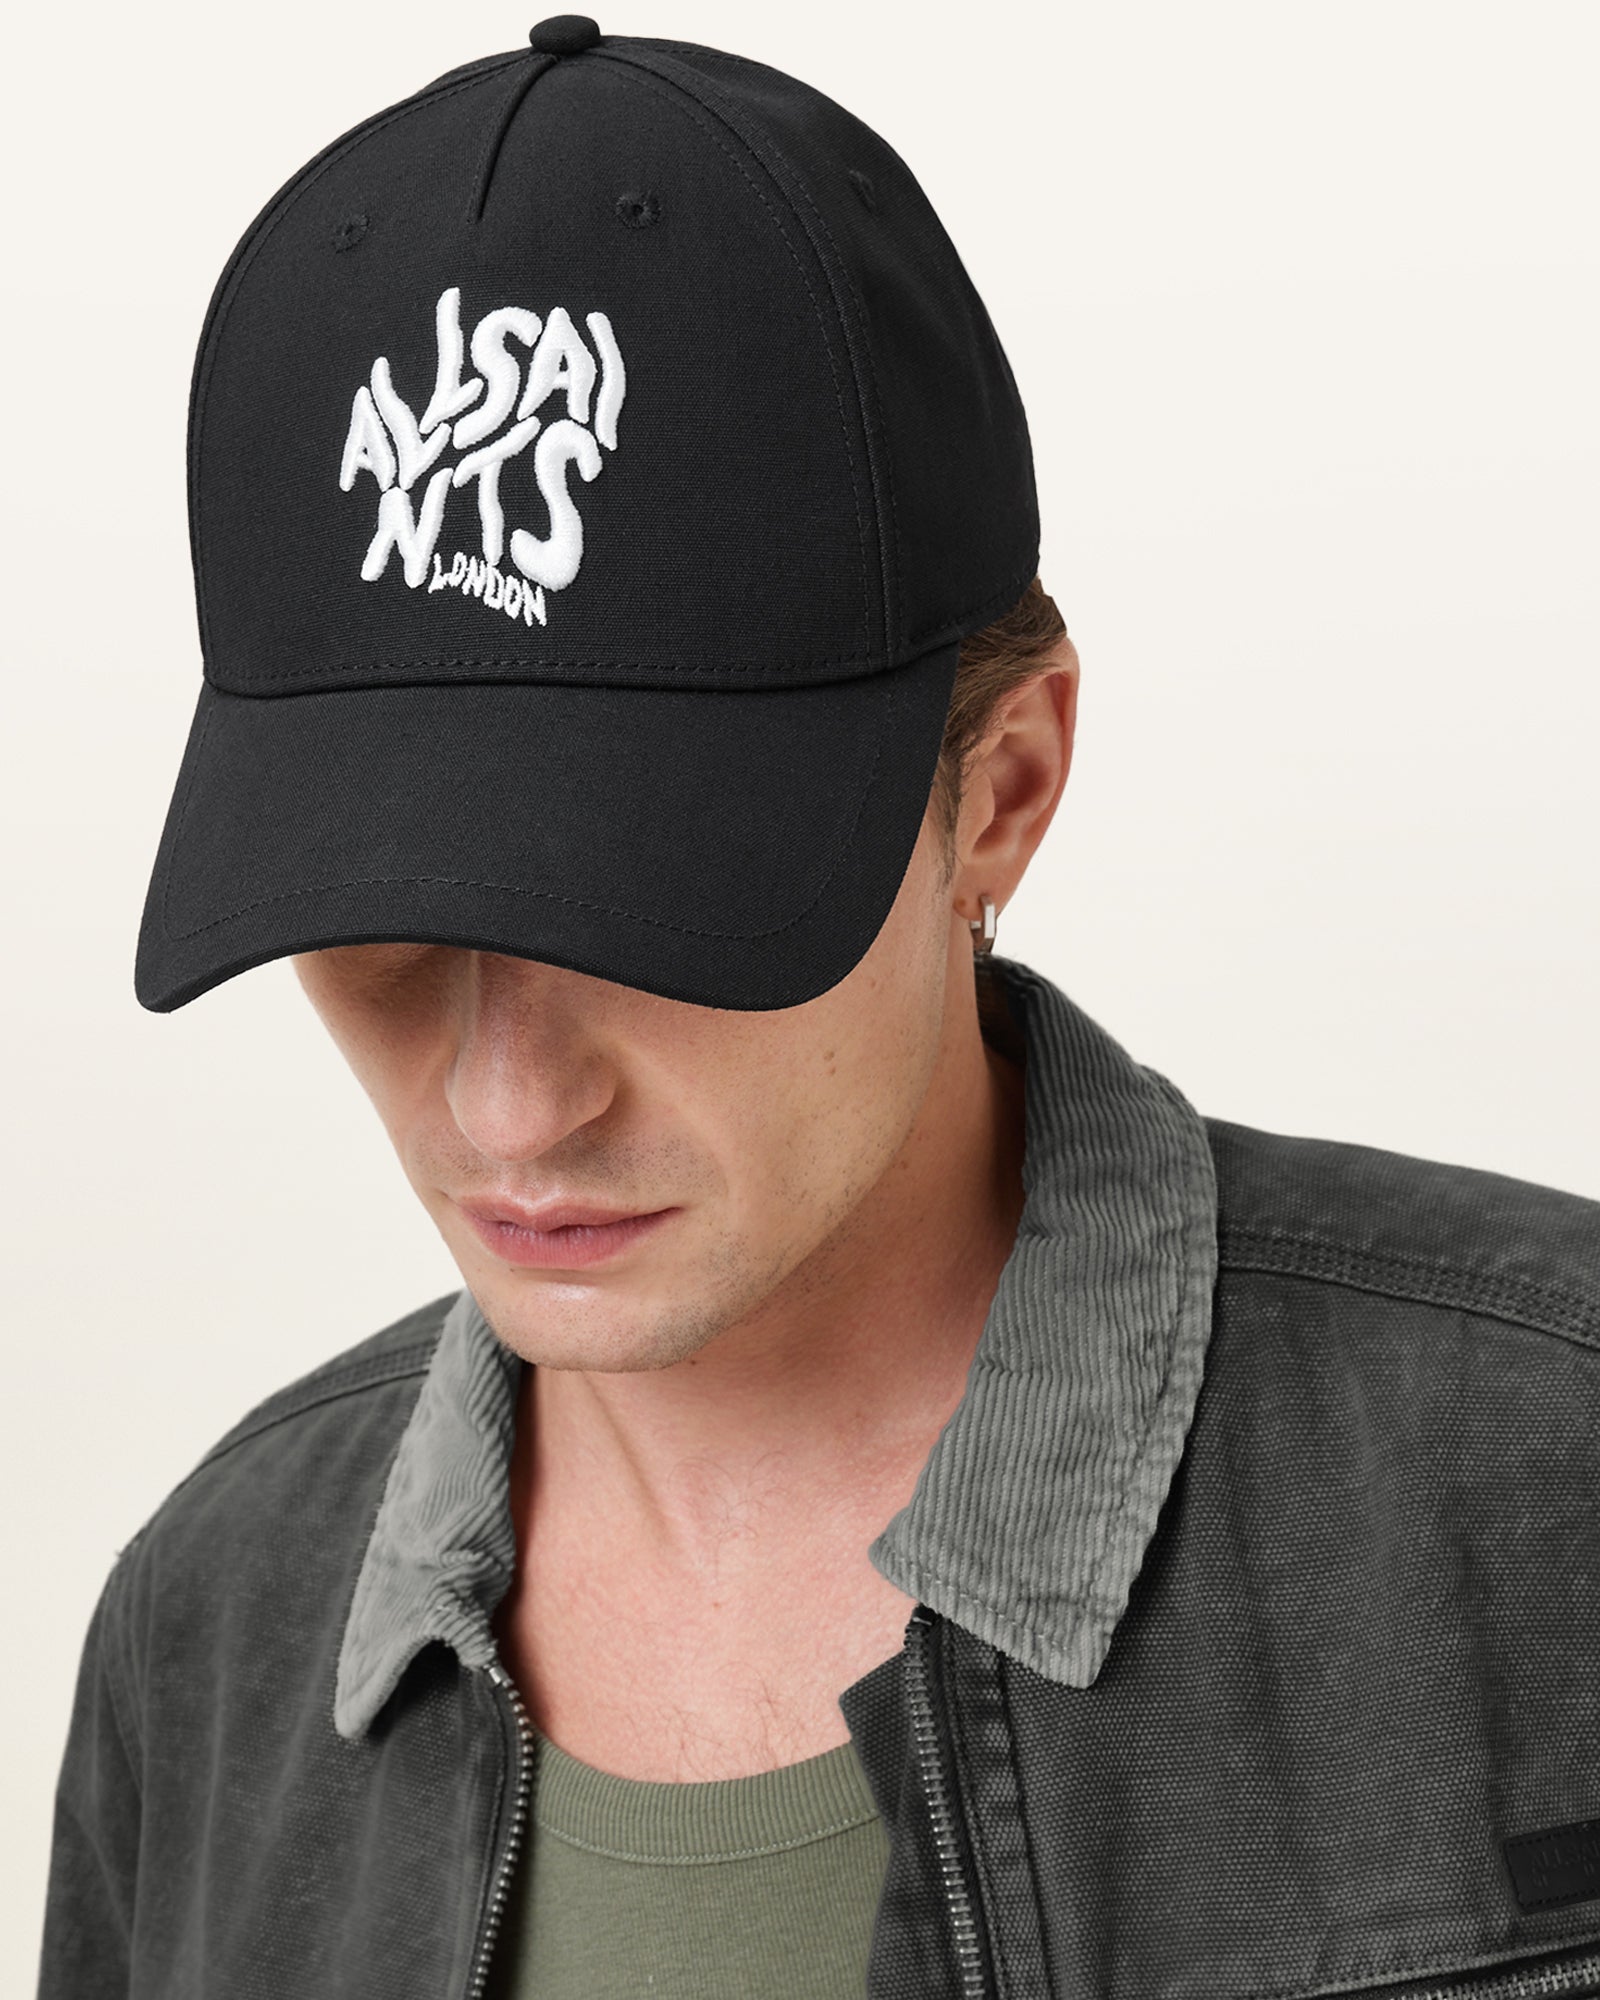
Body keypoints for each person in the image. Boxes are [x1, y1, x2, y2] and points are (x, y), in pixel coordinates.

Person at [36, 17, 1600, 2000]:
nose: (507, 1110)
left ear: (1000, 792)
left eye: (649, 919)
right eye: (380, 931)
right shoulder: (204, 1641)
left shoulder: (1551, 1483)